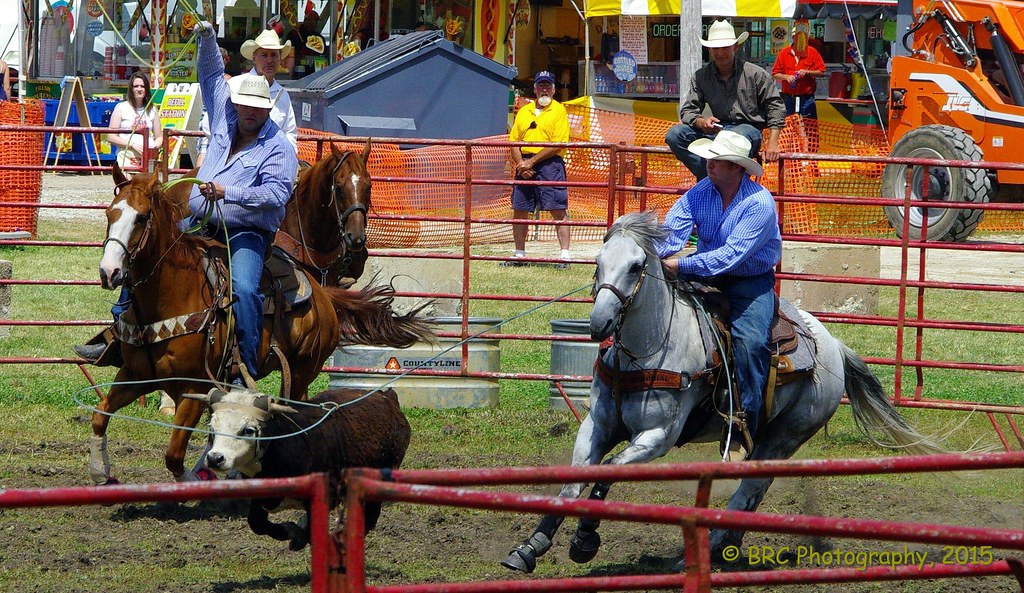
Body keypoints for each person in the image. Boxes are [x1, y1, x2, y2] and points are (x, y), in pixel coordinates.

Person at [75, 21, 299, 390]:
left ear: (266, 110)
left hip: (246, 232)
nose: (248, 113)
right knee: (149, 251)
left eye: (256, 109)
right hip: (202, 222)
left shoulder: (278, 148)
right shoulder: (227, 119)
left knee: (243, 287)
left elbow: (276, 196)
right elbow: (211, 75)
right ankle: (120, 332)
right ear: (239, 101)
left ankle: (244, 367)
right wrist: (208, 38)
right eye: (244, 105)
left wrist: (229, 192)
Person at [654, 130, 781, 460]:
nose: (709, 164)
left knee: (751, 343)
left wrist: (680, 265)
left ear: (736, 168)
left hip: (748, 282)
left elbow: (731, 255)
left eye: (718, 160)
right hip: (704, 275)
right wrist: (650, 256)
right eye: (710, 158)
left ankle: (745, 426)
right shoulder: (700, 192)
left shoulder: (759, 204)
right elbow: (670, 235)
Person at [665, 19, 785, 181]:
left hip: (748, 130)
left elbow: (775, 107)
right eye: (716, 48)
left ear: (735, 47)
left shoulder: (755, 74)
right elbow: (688, 111)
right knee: (674, 135)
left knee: (733, 137)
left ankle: (713, 179)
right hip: (718, 130)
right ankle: (711, 177)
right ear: (710, 49)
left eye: (725, 48)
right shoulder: (701, 76)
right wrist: (702, 123)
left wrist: (773, 142)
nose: (720, 53)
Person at [502, 70, 572, 270]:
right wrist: (521, 164)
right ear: (534, 89)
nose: (544, 89)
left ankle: (565, 257)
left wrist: (531, 162)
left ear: (554, 89)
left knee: (557, 208)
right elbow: (514, 140)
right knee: (520, 208)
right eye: (540, 85)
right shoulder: (524, 111)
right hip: (523, 164)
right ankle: (519, 254)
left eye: (548, 86)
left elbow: (558, 142)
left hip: (550, 164)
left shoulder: (559, 111)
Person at [240, 28, 298, 152]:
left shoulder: (283, 95)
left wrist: (288, 158)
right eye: (264, 55)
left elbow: (289, 133)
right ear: (254, 58)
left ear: (280, 59)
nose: (270, 60)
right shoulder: (237, 86)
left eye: (274, 55)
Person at [108, 71, 163, 171]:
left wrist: (153, 148)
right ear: (131, 89)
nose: (139, 89)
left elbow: (159, 136)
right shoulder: (121, 107)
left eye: (142, 86)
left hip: (147, 158)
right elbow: (111, 136)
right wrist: (132, 145)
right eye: (136, 86)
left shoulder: (152, 110)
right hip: (127, 155)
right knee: (128, 184)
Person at [771, 28, 826, 118]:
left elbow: (821, 71)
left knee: (809, 124)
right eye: (798, 37)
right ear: (793, 37)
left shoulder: (812, 52)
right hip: (788, 97)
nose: (801, 40)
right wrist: (786, 77)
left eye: (803, 37)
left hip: (807, 97)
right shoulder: (784, 53)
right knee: (789, 125)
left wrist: (807, 72)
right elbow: (775, 74)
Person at [195, 47, 232, 168]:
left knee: (204, 152)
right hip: (216, 119)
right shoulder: (228, 80)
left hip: (207, 117)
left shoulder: (206, 78)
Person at [286, 9, 327, 78]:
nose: (313, 23)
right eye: (310, 20)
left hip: (316, 72)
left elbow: (324, 55)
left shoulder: (319, 38)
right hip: (297, 72)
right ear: (305, 20)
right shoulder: (294, 34)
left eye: (315, 21)